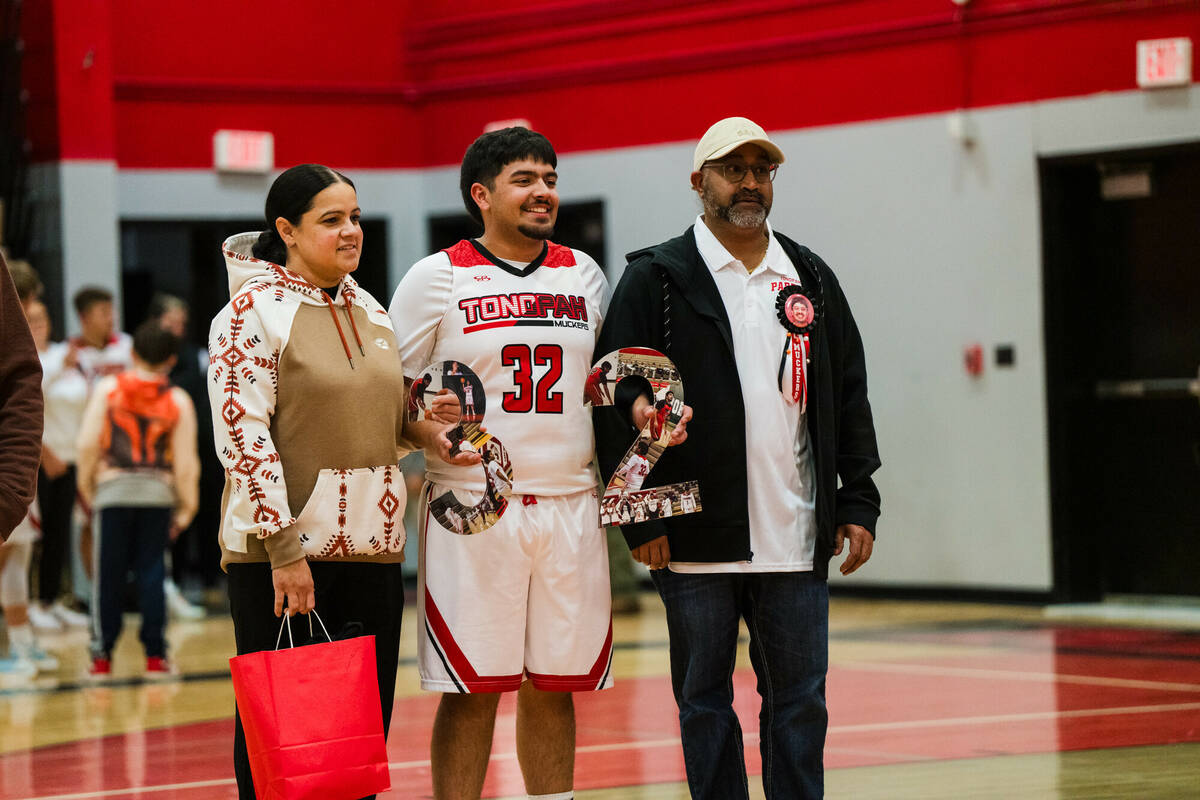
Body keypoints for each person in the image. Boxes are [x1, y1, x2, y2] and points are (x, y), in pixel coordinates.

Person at [594, 116, 882, 799]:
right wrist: (639, 518)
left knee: (800, 702)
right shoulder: (656, 279)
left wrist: (858, 498)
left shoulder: (809, 274)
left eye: (762, 170)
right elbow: (611, 398)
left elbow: (849, 392)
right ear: (699, 182)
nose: (750, 183)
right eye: (733, 169)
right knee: (704, 704)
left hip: (795, 533)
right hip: (692, 537)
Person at [390, 127, 663, 800]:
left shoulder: (586, 274)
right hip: (474, 510)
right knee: (472, 690)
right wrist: (422, 432)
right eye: (525, 179)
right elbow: (379, 390)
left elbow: (607, 386)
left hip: (571, 502)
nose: (543, 191)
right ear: (481, 195)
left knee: (555, 686)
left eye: (550, 178)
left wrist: (644, 419)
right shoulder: (436, 277)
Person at [208, 164, 465, 800]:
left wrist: (425, 430)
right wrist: (285, 552)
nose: (351, 231)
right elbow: (244, 438)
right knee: (286, 751)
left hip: (374, 554)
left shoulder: (369, 307)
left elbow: (377, 415)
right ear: (286, 231)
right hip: (286, 562)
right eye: (331, 220)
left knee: (356, 747)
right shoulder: (247, 315)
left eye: (354, 217)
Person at [75, 321, 200, 678]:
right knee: (152, 573)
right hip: (157, 496)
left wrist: (88, 489)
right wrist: (186, 508)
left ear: (132, 354)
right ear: (172, 360)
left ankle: (101, 657)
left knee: (107, 576)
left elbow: (86, 445)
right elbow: (187, 463)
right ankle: (156, 657)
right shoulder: (177, 400)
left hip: (112, 493)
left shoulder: (108, 389)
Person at [0, 256, 46, 683]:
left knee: (18, 556)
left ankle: (21, 641)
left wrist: (14, 485)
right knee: (12, 561)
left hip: (17, 476)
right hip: (30, 469)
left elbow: (23, 393)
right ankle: (17, 642)